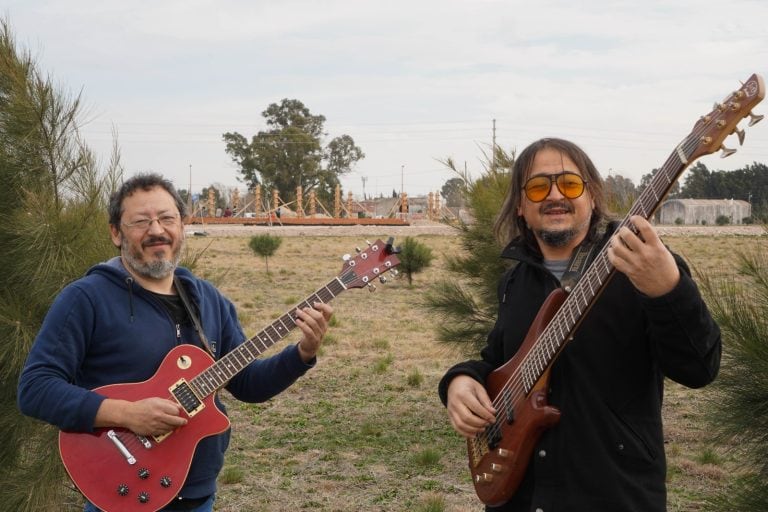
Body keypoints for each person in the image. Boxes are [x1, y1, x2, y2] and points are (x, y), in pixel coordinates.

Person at [17, 173, 333, 512]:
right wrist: (127, 413)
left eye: (167, 219)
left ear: (181, 227)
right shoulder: (86, 299)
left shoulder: (208, 300)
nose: (156, 230)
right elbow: (35, 388)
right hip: (121, 487)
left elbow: (247, 384)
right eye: (141, 221)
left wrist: (302, 353)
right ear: (115, 233)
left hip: (197, 494)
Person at [438, 138, 721, 512]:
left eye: (570, 183)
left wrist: (668, 289)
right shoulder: (515, 281)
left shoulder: (642, 265)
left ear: (592, 196)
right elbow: (498, 359)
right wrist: (460, 380)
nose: (555, 195)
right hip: (521, 497)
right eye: (539, 187)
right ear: (521, 207)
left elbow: (699, 368)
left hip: (613, 495)